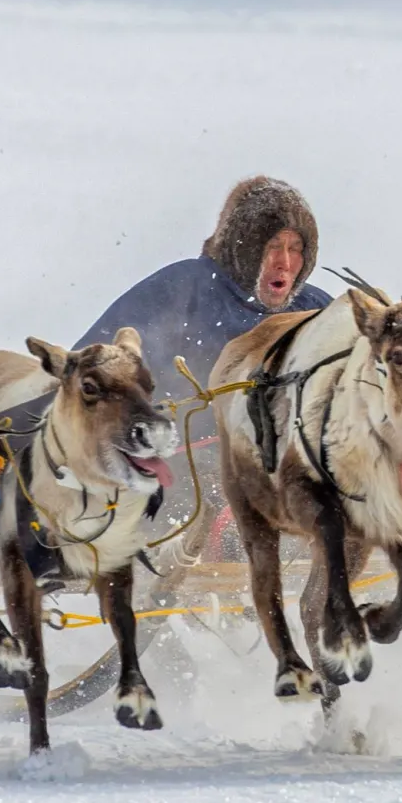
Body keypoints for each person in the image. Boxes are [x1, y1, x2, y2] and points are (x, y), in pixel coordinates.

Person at [74, 176, 334, 563]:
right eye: (272, 246)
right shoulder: (186, 289)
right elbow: (98, 365)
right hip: (183, 466)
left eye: (296, 249)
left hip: (290, 472)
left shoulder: (315, 309)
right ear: (245, 248)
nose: (285, 262)